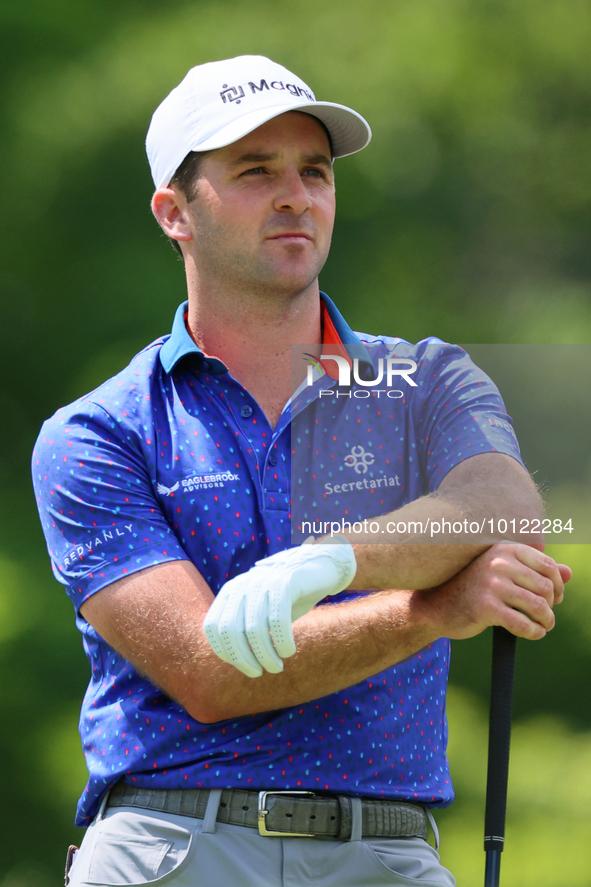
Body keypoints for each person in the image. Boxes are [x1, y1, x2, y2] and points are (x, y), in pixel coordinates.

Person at [32, 55, 570, 887]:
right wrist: (435, 606)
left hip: (386, 851)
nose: (297, 196)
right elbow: (210, 674)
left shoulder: (426, 379)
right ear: (174, 212)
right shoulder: (99, 432)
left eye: (313, 171)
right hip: (172, 847)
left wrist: (333, 561)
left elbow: (504, 509)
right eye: (255, 172)